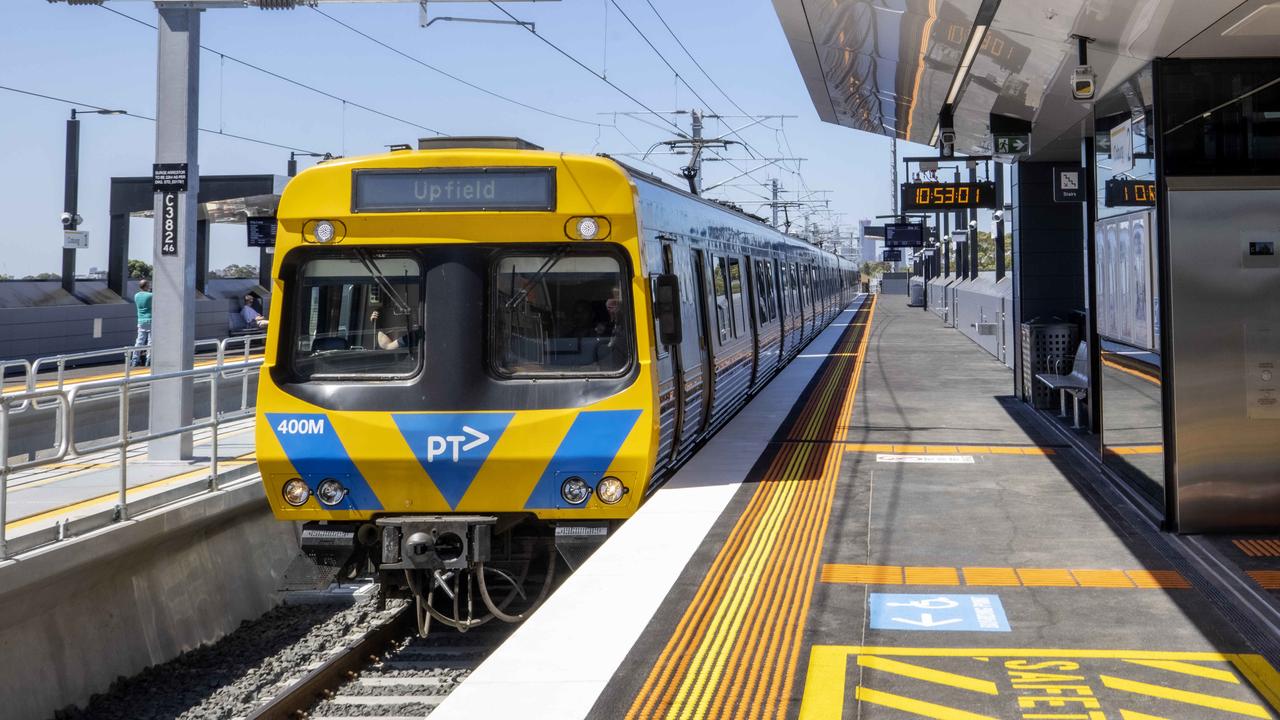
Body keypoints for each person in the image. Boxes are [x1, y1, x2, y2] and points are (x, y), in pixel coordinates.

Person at [132, 279, 153, 367]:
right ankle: (149, 359)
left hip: (141, 321)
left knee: (139, 341)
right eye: (149, 285)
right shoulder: (151, 295)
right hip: (150, 320)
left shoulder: (136, 295)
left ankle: (135, 359)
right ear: (146, 286)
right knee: (151, 341)